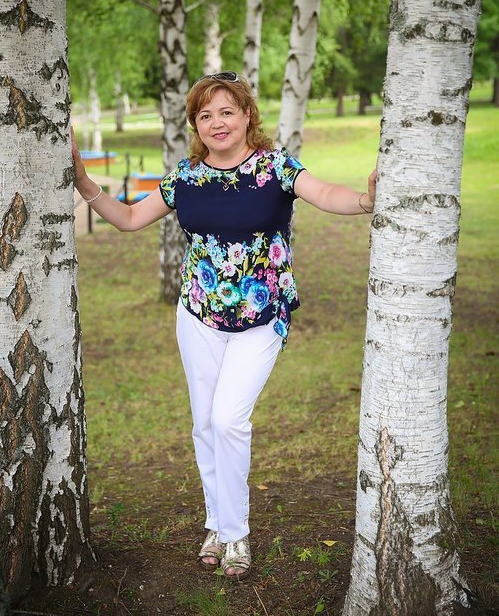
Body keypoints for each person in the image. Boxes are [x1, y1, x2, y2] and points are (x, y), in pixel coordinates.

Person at [72, 71, 376, 581]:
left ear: (247, 115)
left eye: (227, 112)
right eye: (205, 115)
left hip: (261, 318)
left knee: (229, 419)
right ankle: (217, 524)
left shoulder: (275, 167)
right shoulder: (185, 177)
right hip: (198, 317)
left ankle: (236, 533)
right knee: (205, 424)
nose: (217, 122)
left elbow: (324, 192)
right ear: (195, 124)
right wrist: (84, 183)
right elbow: (128, 219)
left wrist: (365, 201)